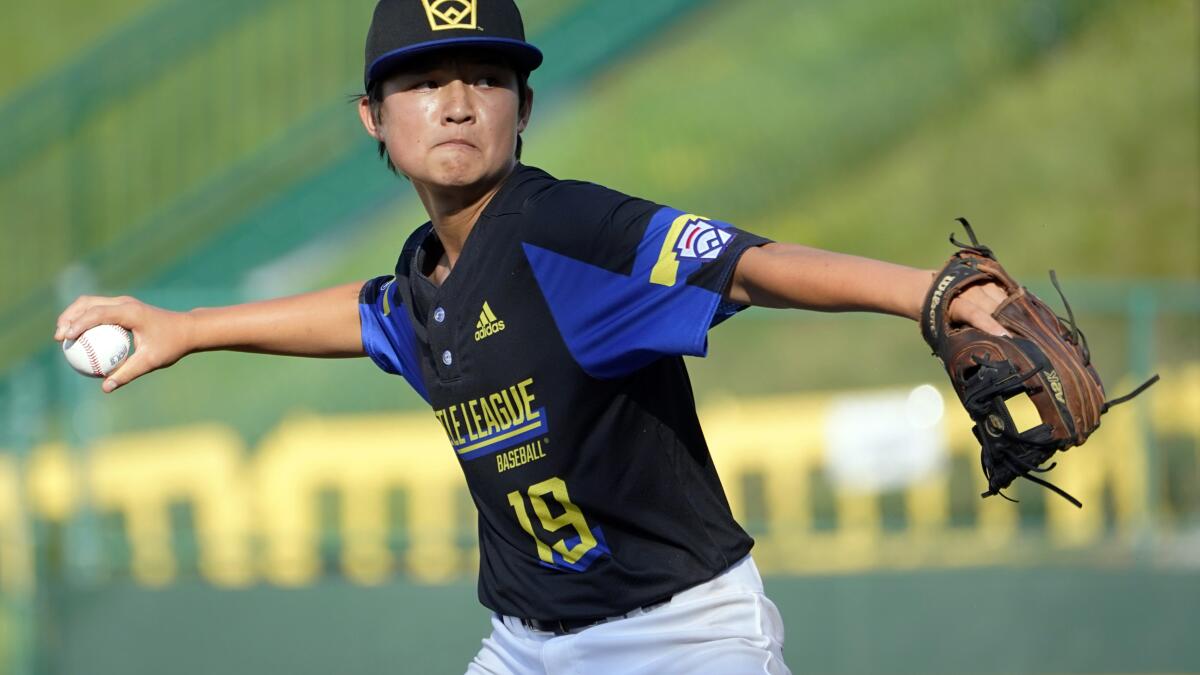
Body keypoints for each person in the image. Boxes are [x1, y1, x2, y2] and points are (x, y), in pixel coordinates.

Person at [55, 1, 1009, 673]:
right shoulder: (426, 274)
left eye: (487, 76)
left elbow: (749, 263)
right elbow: (368, 312)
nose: (459, 100)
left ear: (526, 105)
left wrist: (932, 294)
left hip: (679, 639)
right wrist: (189, 328)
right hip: (529, 645)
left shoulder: (569, 234)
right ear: (374, 121)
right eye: (423, 81)